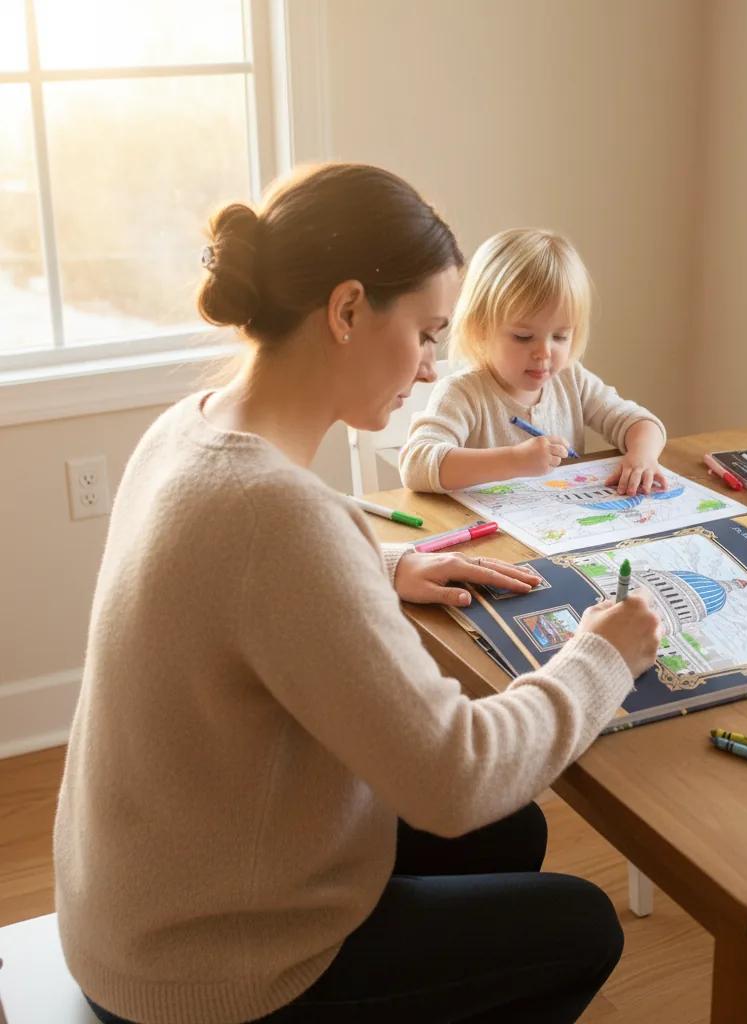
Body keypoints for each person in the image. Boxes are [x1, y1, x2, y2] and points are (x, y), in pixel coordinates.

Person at [53, 163, 662, 1024]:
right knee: (582, 924)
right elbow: (456, 773)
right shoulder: (278, 516)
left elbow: (240, 573)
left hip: (139, 905)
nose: (426, 368)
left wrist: (382, 567)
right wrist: (601, 656)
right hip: (205, 974)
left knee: (513, 832)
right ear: (345, 311)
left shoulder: (189, 428)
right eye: (423, 334)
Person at [399, 228, 667, 497]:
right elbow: (416, 464)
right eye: (523, 337)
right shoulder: (463, 394)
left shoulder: (571, 379)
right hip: (487, 533)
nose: (544, 353)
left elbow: (641, 422)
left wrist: (643, 456)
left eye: (560, 336)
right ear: (481, 328)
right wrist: (514, 460)